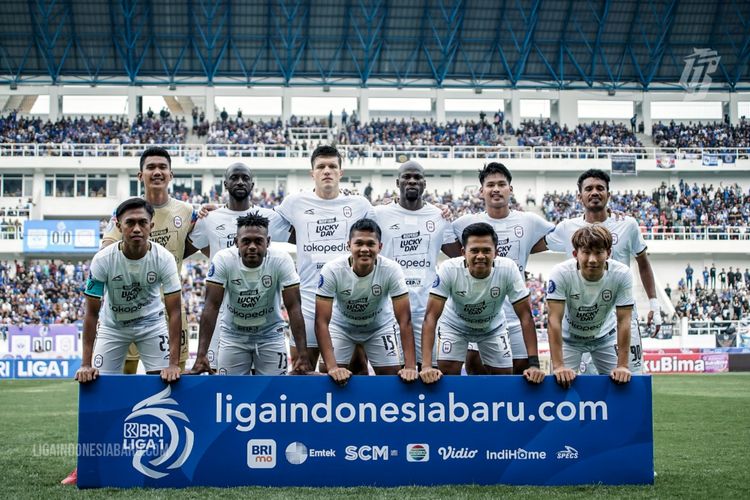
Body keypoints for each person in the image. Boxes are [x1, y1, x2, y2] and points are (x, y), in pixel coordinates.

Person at [544, 168, 661, 374]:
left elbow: (643, 263)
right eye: (589, 189)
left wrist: (654, 303)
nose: (595, 192)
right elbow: (531, 243)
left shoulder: (627, 224)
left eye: (600, 188)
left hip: (619, 312)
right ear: (580, 196)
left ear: (609, 193)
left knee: (629, 376)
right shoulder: (566, 227)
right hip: (580, 317)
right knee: (584, 382)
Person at [274, 145, 375, 370]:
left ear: (341, 172)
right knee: (302, 367)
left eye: (332, 166)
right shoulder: (295, 203)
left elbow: (382, 230)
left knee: (354, 368)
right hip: (309, 301)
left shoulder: (359, 205)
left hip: (347, 302)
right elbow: (260, 223)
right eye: (321, 166)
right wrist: (217, 210)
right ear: (313, 173)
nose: (327, 171)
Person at [449, 163, 553, 375]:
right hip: (479, 318)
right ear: (481, 191)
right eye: (490, 185)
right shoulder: (465, 223)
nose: (496, 189)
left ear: (510, 189)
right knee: (476, 372)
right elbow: (443, 242)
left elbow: (564, 236)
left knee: (521, 376)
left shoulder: (529, 221)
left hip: (516, 316)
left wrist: (604, 214)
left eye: (501, 184)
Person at [101, 147, 198, 374]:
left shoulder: (187, 211)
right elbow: (106, 251)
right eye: (151, 167)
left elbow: (194, 242)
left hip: (170, 309)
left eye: (163, 167)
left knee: (174, 377)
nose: (157, 172)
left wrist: (211, 214)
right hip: (131, 310)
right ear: (140, 175)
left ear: (171, 175)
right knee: (123, 380)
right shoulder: (125, 212)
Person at [188, 162, 290, 369]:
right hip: (223, 315)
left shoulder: (267, 217)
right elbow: (185, 250)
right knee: (220, 377)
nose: (240, 182)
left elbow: (304, 237)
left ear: (253, 184)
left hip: (263, 315)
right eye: (234, 178)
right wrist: (191, 220)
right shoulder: (210, 218)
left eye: (245, 178)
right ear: (225, 184)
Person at [419, 222, 545, 385]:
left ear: (496, 252)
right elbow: (430, 317)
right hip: (455, 326)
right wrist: (427, 365)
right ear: (464, 252)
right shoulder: (448, 269)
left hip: (492, 327)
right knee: (447, 372)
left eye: (486, 250)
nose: (480, 256)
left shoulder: (508, 268)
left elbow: (526, 317)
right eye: (474, 250)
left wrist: (534, 364)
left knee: (504, 378)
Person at [75, 198, 182, 383]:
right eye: (130, 223)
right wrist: (85, 363)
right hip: (113, 327)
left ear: (152, 225)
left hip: (152, 325)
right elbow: (91, 313)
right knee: (101, 384)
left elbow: (175, 311)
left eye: (143, 222)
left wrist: (173, 364)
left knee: (164, 380)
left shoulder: (164, 258)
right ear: (118, 226)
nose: (137, 229)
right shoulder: (102, 260)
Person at [190, 212, 311, 375]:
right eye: (246, 241)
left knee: (274, 393)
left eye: (258, 241)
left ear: (268, 242)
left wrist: (303, 356)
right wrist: (201, 355)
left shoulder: (281, 260)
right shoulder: (223, 259)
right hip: (232, 336)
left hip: (270, 336)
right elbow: (211, 307)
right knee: (230, 394)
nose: (252, 247)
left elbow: (294, 307)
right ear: (236, 242)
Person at [374, 161, 458, 368]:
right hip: (388, 307)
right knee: (394, 371)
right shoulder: (379, 214)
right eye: (407, 177)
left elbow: (456, 254)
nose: (412, 181)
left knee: (430, 369)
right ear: (397, 182)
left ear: (424, 183)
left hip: (426, 309)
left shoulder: (439, 216)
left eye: (417, 177)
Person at [314, 219, 418, 385]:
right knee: (328, 372)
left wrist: (411, 366)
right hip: (342, 326)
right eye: (359, 243)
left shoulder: (392, 270)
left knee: (391, 376)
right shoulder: (332, 270)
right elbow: (321, 321)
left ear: (380, 247)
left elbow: (404, 320)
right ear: (349, 245)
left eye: (371, 244)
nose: (364, 249)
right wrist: (333, 367)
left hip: (379, 326)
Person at [545, 225, 634, 388]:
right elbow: (553, 320)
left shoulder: (622, 274)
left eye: (599, 252)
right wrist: (558, 366)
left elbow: (625, 321)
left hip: (605, 337)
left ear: (608, 253)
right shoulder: (560, 273)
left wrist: (623, 365)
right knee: (560, 387)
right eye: (586, 252)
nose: (592, 259)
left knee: (621, 385)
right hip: (568, 339)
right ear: (575, 254)